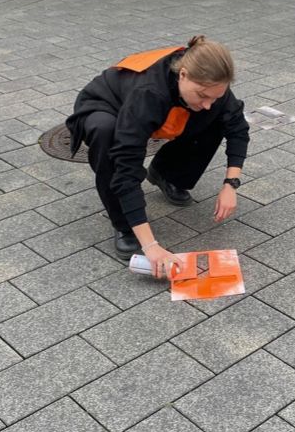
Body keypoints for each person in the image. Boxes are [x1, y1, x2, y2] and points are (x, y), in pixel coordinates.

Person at [66, 36, 250, 277]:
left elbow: (238, 129)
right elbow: (126, 169)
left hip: (157, 104)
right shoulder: (150, 93)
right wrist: (151, 246)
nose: (207, 103)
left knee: (215, 117)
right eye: (203, 95)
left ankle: (167, 174)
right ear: (183, 75)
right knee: (107, 134)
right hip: (107, 105)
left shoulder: (211, 85)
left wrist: (230, 185)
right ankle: (123, 225)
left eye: (215, 96)